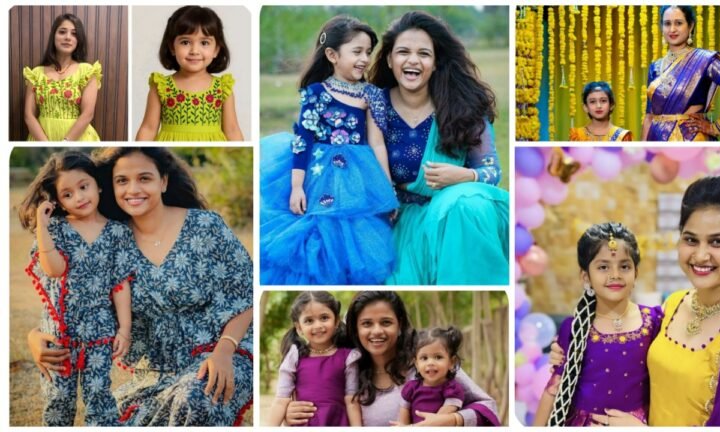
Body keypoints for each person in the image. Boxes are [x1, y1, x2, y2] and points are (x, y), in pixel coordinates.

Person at [28, 148, 254, 426]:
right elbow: (79, 298)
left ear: (163, 181)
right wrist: (36, 335)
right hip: (155, 372)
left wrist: (224, 351)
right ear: (109, 187)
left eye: (144, 178)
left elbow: (246, 292)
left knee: (194, 399)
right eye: (122, 180)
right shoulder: (111, 238)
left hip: (221, 353)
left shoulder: (206, 227)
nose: (133, 189)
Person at [550, 176, 720, 426]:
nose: (701, 255)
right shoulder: (674, 305)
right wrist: (575, 342)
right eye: (691, 239)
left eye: (718, 241)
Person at [369, 11, 509, 285]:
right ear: (389, 59)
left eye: (423, 53)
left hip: (453, 219)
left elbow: (492, 171)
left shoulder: (464, 107)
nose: (412, 60)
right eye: (403, 52)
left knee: (466, 202)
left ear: (435, 63)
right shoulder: (373, 106)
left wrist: (464, 176)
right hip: (397, 222)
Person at [260, 16, 398, 285]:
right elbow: (303, 140)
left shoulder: (371, 94)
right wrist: (297, 186)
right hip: (318, 174)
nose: (364, 59)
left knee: (356, 234)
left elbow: (377, 143)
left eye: (368, 52)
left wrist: (388, 189)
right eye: (356, 51)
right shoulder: (316, 93)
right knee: (317, 230)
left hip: (357, 175)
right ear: (332, 55)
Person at [18, 151, 133, 425]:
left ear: (98, 185)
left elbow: (120, 284)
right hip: (60, 334)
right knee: (58, 400)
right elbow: (54, 269)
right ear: (56, 200)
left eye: (84, 187)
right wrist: (43, 227)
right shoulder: (56, 229)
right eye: (68, 194)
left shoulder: (117, 233)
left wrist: (124, 330)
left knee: (99, 399)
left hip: (100, 331)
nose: (79, 197)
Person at [284, 291, 500, 426]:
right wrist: (292, 412)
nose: (376, 331)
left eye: (386, 322)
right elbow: (321, 408)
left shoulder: (428, 362)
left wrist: (451, 420)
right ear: (355, 329)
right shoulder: (344, 368)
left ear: (400, 325)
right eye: (367, 324)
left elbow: (488, 406)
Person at [533, 223, 662, 426]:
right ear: (586, 277)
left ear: (636, 272)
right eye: (603, 267)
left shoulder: (654, 321)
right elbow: (555, 387)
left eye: (624, 266)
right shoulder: (575, 328)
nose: (615, 274)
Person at [135, 6, 243, 141]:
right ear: (172, 47)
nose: (194, 50)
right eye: (185, 42)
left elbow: (232, 130)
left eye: (204, 43)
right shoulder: (161, 86)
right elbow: (148, 128)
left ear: (216, 50)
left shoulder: (222, 88)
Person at [642, 6, 720, 141]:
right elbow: (649, 116)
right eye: (667, 23)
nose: (672, 29)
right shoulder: (655, 67)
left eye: (678, 23)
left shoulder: (704, 60)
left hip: (689, 139)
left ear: (690, 26)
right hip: (656, 139)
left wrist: (716, 127)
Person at [267, 291, 361, 426]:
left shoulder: (348, 357)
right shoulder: (295, 356)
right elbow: (281, 400)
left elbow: (352, 400)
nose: (318, 326)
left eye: (324, 318)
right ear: (299, 328)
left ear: (336, 321)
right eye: (309, 321)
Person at [23, 14, 101, 141]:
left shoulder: (87, 71)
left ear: (78, 39)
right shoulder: (36, 74)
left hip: (77, 138)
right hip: (41, 138)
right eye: (62, 32)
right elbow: (29, 115)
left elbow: (88, 113)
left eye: (74, 33)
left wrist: (66, 142)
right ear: (54, 36)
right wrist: (45, 145)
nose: (68, 37)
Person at [397, 326, 464, 425]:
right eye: (424, 358)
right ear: (416, 364)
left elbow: (438, 421)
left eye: (438, 357)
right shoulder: (411, 388)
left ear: (451, 362)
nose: (430, 363)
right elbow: (403, 413)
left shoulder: (453, 389)